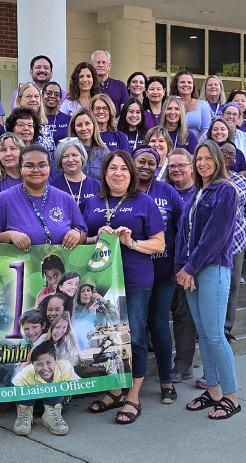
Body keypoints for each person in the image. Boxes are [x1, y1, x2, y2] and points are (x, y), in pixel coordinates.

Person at [82, 150, 166, 425]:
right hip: (102, 281)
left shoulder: (144, 202)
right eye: (112, 168)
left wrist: (131, 243)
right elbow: (84, 240)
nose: (118, 173)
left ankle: (133, 396)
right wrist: (96, 237)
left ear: (131, 174)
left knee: (135, 336)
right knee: (107, 336)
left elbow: (159, 244)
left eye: (124, 169)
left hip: (135, 277)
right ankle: (115, 390)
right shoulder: (93, 202)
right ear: (104, 173)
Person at [175, 139, 242, 420]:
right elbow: (184, 234)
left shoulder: (226, 190)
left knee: (215, 335)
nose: (202, 163)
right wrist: (183, 269)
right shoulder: (197, 192)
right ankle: (212, 389)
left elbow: (216, 235)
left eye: (207, 158)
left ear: (218, 160)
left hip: (211, 268)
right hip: (190, 271)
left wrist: (190, 268)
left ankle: (231, 396)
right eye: (198, 159)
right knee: (204, 334)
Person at [133, 146, 182, 404]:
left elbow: (182, 228)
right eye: (141, 161)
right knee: (136, 330)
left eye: (152, 162)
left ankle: (166, 380)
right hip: (133, 273)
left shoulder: (167, 192)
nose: (146, 166)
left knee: (160, 325)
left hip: (164, 270)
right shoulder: (125, 191)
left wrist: (180, 263)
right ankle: (131, 386)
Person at [0, 143, 86, 247]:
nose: (36, 170)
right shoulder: (3, 200)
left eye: (42, 165)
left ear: (49, 168)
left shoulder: (66, 199)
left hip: (62, 262)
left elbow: (83, 234)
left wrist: (77, 233)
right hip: (20, 262)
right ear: (20, 169)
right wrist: (10, 235)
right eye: (29, 166)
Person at [217, 141, 246, 345]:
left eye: (231, 153)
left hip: (237, 242)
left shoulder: (242, 181)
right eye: (223, 151)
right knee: (214, 286)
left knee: (232, 286)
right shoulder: (207, 177)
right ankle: (210, 328)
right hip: (212, 244)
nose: (227, 155)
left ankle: (225, 328)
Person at [162, 148, 197, 380]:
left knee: (184, 317)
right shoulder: (162, 192)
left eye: (181, 165)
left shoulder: (201, 193)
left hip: (189, 267)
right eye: (172, 166)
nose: (176, 170)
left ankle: (183, 365)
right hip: (163, 265)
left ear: (191, 167)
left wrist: (188, 267)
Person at [12, 340, 79, 436]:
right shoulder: (25, 373)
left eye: (49, 362)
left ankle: (51, 413)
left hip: (54, 392)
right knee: (22, 390)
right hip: (30, 390)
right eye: (39, 364)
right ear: (33, 364)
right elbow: (17, 385)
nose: (45, 368)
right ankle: (25, 414)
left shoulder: (64, 366)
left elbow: (81, 383)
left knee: (56, 382)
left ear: (55, 361)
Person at [49, 138, 100, 206]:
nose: (70, 160)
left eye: (74, 155)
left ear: (82, 157)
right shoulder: (52, 187)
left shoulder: (97, 186)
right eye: (65, 156)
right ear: (60, 160)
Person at [67, 107, 110, 178]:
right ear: (74, 128)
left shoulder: (104, 154)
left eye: (87, 124)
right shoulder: (66, 153)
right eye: (79, 125)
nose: (84, 128)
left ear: (94, 125)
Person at [170, 71, 211, 139]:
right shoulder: (170, 104)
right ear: (176, 84)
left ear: (193, 86)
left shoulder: (203, 105)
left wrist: (195, 144)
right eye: (182, 82)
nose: (186, 85)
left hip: (198, 146)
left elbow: (206, 129)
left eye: (189, 82)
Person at [219, 102, 246, 170]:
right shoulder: (211, 133)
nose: (231, 117)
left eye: (235, 114)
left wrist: (240, 174)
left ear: (238, 119)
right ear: (222, 116)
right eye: (228, 113)